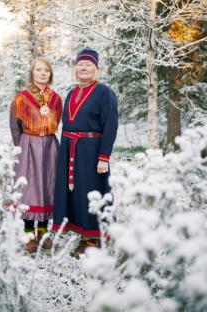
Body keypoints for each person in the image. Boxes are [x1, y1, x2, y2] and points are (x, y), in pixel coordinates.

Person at [53, 49, 118, 255]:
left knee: (92, 191)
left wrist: (103, 157)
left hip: (92, 151)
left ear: (96, 69)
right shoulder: (72, 93)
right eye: (80, 64)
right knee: (77, 193)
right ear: (75, 68)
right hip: (71, 148)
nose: (84, 68)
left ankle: (93, 240)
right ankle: (82, 232)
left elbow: (111, 126)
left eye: (89, 65)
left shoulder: (104, 92)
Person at [10, 58, 63, 253]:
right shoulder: (21, 98)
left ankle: (42, 233)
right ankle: (28, 236)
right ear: (32, 73)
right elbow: (14, 126)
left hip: (49, 145)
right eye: (38, 70)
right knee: (30, 189)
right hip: (28, 144)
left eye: (46, 70)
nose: (42, 73)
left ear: (50, 74)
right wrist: (21, 148)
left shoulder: (56, 98)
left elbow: (57, 122)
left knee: (47, 187)